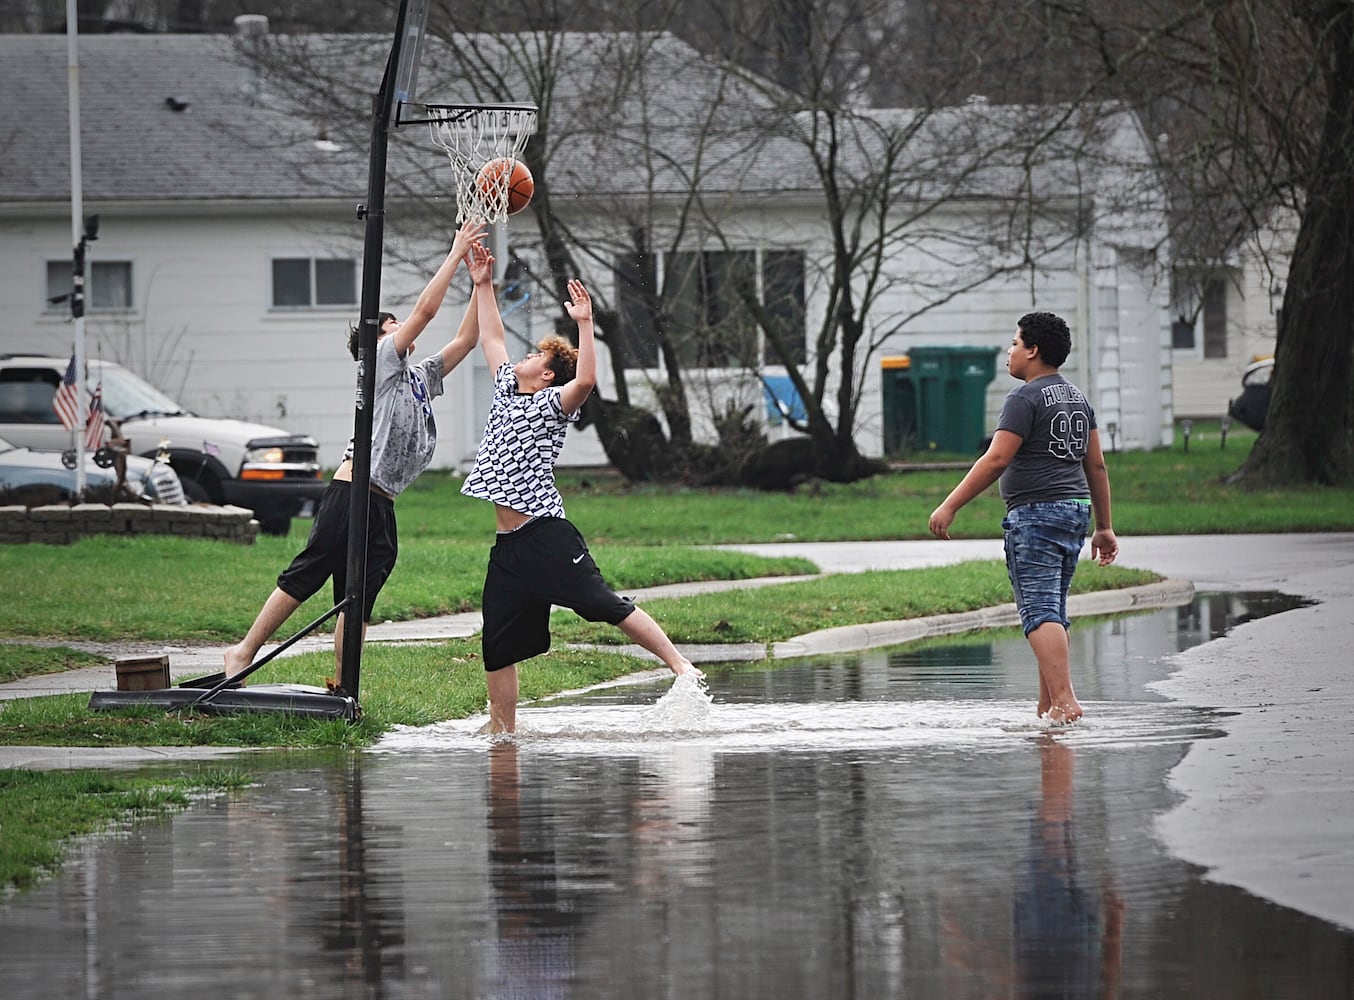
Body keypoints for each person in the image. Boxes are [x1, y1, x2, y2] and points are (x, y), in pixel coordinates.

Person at [223, 221, 488, 686]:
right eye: (392, 324)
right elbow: (424, 314)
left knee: (357, 595)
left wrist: (480, 284)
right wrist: (454, 254)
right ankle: (241, 652)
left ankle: (345, 683)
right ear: (380, 337)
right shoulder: (381, 361)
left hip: (381, 502)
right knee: (309, 574)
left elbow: (467, 340)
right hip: (352, 491)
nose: (400, 325)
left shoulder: (418, 376)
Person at [460, 248, 702, 734]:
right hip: (509, 547)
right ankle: (501, 730)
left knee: (600, 603)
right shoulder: (508, 389)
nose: (523, 356)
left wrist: (585, 323)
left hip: (547, 536)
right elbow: (490, 335)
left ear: (547, 374)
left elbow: (587, 378)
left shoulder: (553, 404)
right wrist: (482, 283)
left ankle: (682, 668)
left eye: (535, 356)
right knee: (498, 641)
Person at [927, 311, 1118, 723]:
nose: (1009, 351)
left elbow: (996, 459)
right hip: (1075, 513)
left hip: (1036, 515)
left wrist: (950, 504)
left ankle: (1065, 700)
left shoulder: (1024, 398)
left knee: (1038, 611)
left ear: (1032, 350)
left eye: (1014, 343)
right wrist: (1103, 526)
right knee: (1052, 607)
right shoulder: (1078, 398)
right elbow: (1097, 466)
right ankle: (1048, 703)